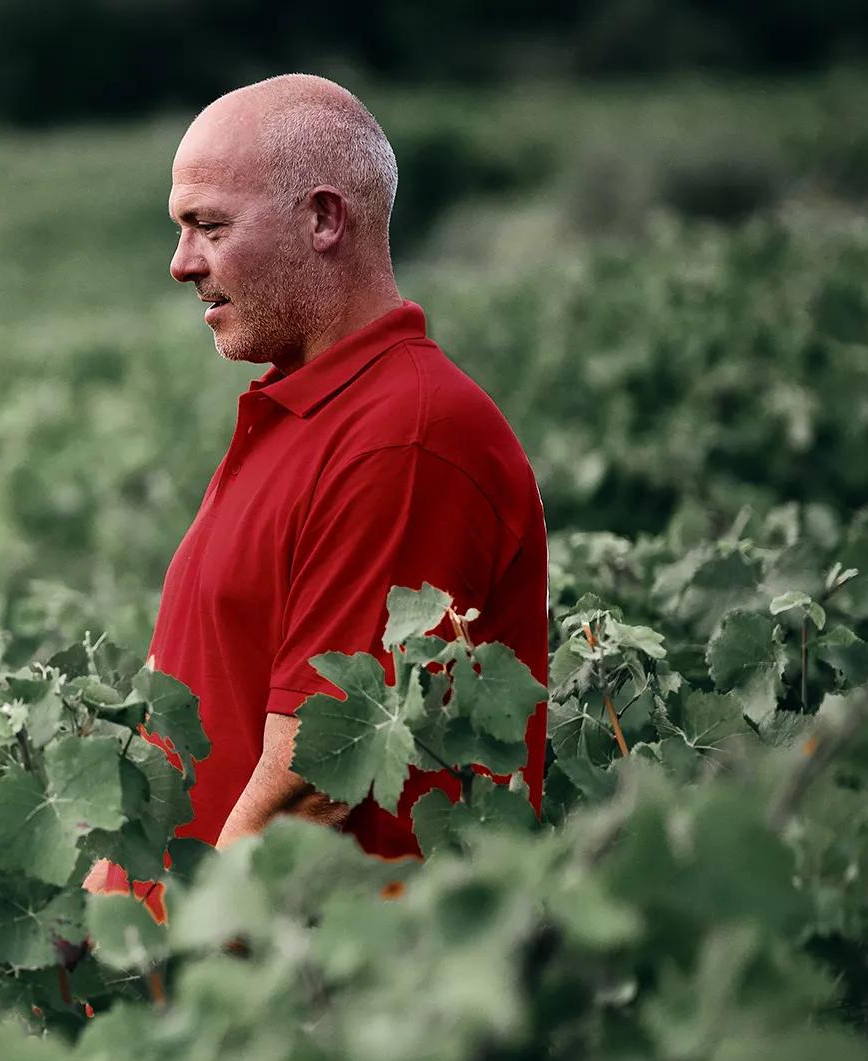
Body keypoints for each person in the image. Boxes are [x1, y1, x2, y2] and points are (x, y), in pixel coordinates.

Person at [87, 75, 550, 914]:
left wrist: (167, 974)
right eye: (181, 229)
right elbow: (181, 695)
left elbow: (316, 778)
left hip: (292, 1000)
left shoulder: (405, 435)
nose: (182, 263)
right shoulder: (297, 408)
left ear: (324, 219)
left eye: (210, 226)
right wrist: (97, 918)